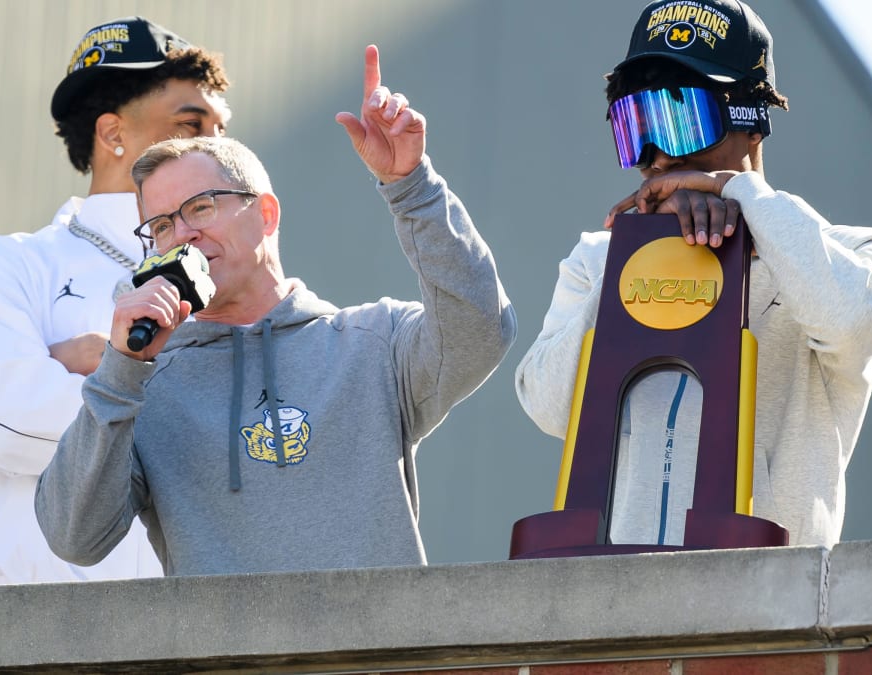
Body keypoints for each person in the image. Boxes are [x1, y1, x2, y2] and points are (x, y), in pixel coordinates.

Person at [34, 46, 517, 576]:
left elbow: (481, 330)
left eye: (200, 207)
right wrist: (120, 370)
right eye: (163, 226)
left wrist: (412, 187)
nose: (184, 236)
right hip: (225, 662)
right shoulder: (147, 387)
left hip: (376, 660)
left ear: (264, 213)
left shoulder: (373, 342)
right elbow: (73, 537)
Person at [514, 0, 872, 549]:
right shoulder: (597, 258)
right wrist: (635, 258)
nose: (656, 156)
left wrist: (742, 195)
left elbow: (857, 321)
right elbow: (548, 405)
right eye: (637, 127)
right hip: (615, 596)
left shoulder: (854, 252)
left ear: (751, 121)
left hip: (770, 604)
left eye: (679, 120)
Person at [0, 16, 232, 585]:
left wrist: (104, 366)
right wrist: (182, 390)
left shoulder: (234, 279)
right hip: (33, 639)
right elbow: (3, 423)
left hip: (202, 641)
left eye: (220, 130)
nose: (215, 147)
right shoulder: (3, 267)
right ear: (113, 134)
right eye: (191, 124)